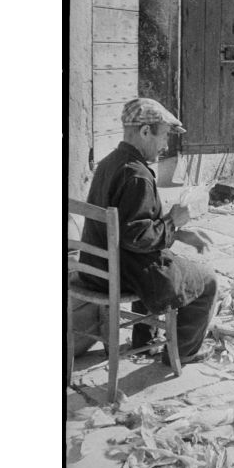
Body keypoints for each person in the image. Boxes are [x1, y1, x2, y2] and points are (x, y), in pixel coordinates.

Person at [79, 98, 218, 365]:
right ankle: (184, 353)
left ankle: (145, 344)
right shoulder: (137, 176)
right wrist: (174, 222)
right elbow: (139, 238)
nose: (165, 145)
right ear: (145, 131)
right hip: (121, 273)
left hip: (96, 268)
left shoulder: (109, 163)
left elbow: (131, 227)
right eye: (164, 136)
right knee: (208, 281)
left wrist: (176, 234)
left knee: (161, 257)